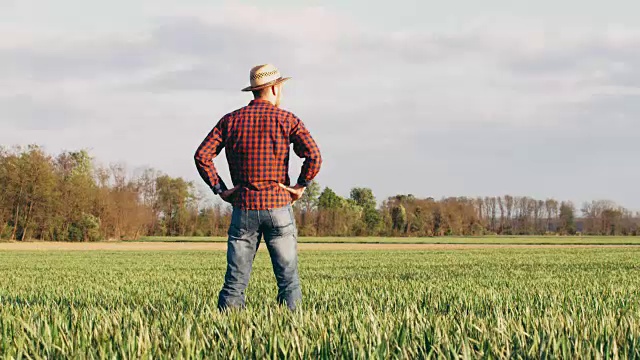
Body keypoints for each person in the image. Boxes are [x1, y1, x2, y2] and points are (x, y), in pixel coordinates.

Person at [194, 64, 322, 311]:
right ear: (274, 88)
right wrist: (300, 186)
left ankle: (227, 335)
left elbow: (202, 156)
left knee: (235, 282)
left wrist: (220, 189)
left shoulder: (230, 121)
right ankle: (293, 332)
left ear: (254, 90)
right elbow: (314, 156)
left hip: (244, 206)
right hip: (278, 206)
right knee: (288, 281)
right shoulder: (288, 119)